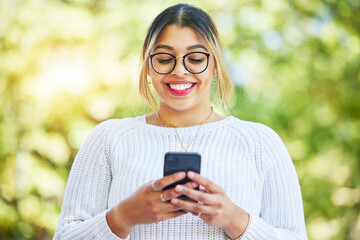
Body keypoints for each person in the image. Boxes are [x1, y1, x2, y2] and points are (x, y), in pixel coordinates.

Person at [54, 3, 308, 240]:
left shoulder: (260, 143)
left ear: (215, 65)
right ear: (148, 66)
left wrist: (236, 220)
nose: (179, 71)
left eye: (195, 59)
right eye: (164, 59)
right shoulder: (108, 139)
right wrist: (124, 216)